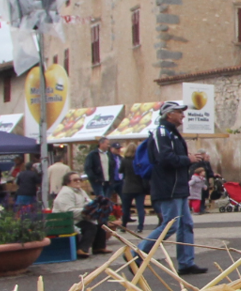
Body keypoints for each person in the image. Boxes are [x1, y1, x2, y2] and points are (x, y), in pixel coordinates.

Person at [136, 100, 210, 275]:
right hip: (168, 186)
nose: (183, 116)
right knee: (171, 225)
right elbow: (165, 158)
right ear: (169, 114)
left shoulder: (173, 134)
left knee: (185, 224)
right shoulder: (161, 132)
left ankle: (186, 262)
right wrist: (188, 160)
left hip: (178, 185)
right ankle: (138, 252)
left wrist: (187, 157)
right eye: (179, 112)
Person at [119, 145, 150, 230]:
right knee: (140, 207)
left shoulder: (124, 161)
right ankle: (140, 226)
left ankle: (124, 226)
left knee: (126, 208)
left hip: (127, 187)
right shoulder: (139, 161)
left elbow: (120, 170)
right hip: (139, 187)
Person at [85, 138, 122, 204]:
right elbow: (88, 168)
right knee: (101, 199)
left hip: (108, 182)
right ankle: (100, 213)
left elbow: (112, 167)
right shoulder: (93, 154)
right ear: (101, 143)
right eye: (107, 144)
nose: (108, 145)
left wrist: (111, 179)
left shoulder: (109, 154)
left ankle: (106, 213)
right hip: (98, 181)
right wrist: (94, 178)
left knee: (107, 200)